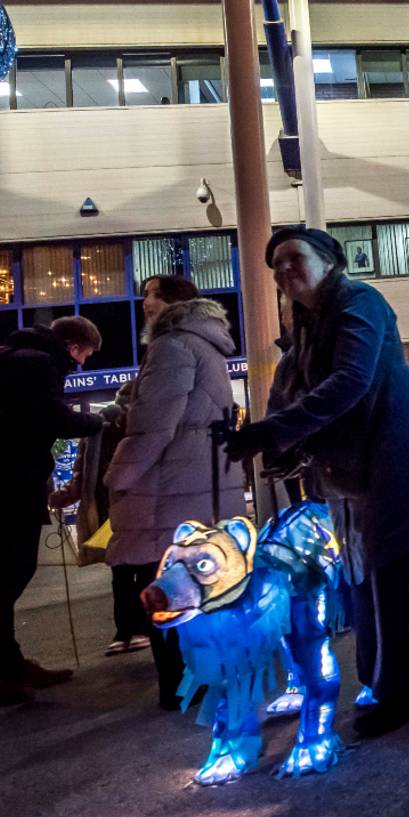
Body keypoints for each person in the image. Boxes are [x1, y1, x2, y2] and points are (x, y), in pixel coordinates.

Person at [223, 226, 409, 744]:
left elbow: (350, 380)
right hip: (353, 470)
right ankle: (400, 689)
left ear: (330, 259)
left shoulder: (359, 301)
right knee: (370, 586)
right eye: (275, 266)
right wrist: (276, 440)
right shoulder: (307, 324)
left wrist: (273, 432)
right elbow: (293, 387)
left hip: (396, 454)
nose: (283, 271)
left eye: (293, 257)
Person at [0, 317, 104, 709]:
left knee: (3, 572)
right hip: (8, 482)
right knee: (7, 576)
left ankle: (8, 666)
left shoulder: (4, 359)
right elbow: (54, 418)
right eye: (84, 354)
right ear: (71, 345)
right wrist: (100, 419)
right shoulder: (36, 364)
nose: (81, 364)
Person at [101, 285, 246, 710]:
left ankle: (183, 687)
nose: (144, 303)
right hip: (204, 484)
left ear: (175, 304)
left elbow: (153, 426)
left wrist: (118, 476)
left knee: (166, 591)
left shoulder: (171, 345)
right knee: (202, 586)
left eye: (152, 295)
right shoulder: (208, 346)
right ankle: (208, 678)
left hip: (170, 490)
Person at [49, 393, 133, 654]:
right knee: (120, 572)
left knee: (142, 570)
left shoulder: (139, 430)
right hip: (107, 508)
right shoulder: (94, 434)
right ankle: (126, 629)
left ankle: (140, 627)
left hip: (136, 507)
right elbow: (82, 471)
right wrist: (67, 494)